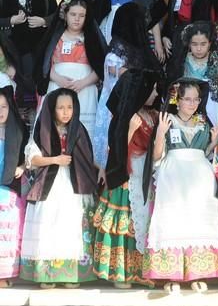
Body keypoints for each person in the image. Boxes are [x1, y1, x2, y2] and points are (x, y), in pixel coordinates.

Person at [142, 79, 218, 294]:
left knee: (198, 223)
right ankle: (172, 275)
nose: (191, 103)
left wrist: (213, 141)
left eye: (195, 99)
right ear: (177, 100)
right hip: (173, 177)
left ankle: (197, 273)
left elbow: (205, 153)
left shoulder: (203, 122)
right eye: (186, 99)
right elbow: (157, 156)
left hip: (200, 180)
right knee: (173, 222)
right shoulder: (167, 120)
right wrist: (160, 133)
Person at [20, 88, 100, 288]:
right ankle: (47, 274)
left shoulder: (78, 129)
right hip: (50, 184)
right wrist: (55, 159)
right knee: (49, 223)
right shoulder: (43, 128)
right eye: (61, 108)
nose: (66, 112)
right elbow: (32, 159)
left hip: (74, 184)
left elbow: (87, 158)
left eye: (70, 107)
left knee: (69, 224)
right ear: (52, 109)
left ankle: (71, 273)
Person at [93, 69, 160, 288]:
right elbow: (120, 146)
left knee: (143, 222)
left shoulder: (152, 114)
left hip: (145, 173)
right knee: (126, 225)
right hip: (128, 174)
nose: (155, 93)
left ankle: (142, 271)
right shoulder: (129, 118)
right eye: (151, 90)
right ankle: (122, 274)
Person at [93, 3, 161, 170]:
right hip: (119, 109)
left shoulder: (141, 49)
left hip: (142, 111)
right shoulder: (116, 53)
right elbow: (116, 86)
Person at [34, 0, 106, 140]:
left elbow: (100, 67)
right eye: (73, 14)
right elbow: (44, 64)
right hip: (56, 87)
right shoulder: (54, 37)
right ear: (65, 14)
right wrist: (58, 79)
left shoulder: (91, 39)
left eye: (81, 15)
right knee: (55, 127)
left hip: (84, 90)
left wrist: (82, 83)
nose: (77, 19)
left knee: (83, 131)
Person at [0, 0, 58, 120]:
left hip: (37, 47)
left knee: (34, 93)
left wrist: (43, 21)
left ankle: (33, 128)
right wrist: (10, 20)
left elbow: (56, 14)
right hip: (10, 47)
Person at [167, 21, 218, 127]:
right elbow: (173, 90)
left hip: (212, 110)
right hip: (187, 109)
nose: (198, 48)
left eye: (203, 44)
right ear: (189, 44)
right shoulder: (181, 63)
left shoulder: (217, 63)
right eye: (194, 44)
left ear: (210, 43)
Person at [0, 86, 27, 287]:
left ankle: (3, 275)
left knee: (6, 237)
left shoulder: (17, 131)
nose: (0, 111)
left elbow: (29, 155)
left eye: (4, 107)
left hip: (8, 193)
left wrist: (22, 166)